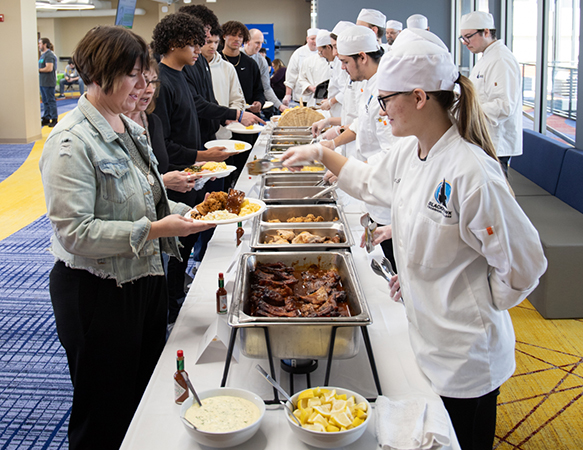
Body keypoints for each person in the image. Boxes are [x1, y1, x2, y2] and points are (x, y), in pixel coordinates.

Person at [282, 28, 547, 450]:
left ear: (420, 96)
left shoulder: (470, 172)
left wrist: (470, 296)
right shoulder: (412, 151)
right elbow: (371, 183)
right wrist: (318, 153)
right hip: (426, 339)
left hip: (466, 356)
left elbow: (525, 265)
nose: (382, 111)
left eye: (387, 100)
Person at [39, 25, 214, 450]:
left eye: (146, 74)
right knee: (102, 412)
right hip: (97, 294)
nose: (143, 86)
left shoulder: (128, 127)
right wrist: (157, 229)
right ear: (98, 75)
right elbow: (76, 233)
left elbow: (146, 202)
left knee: (143, 397)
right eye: (132, 75)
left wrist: (191, 214)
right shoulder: (70, 142)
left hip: (145, 279)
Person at [152, 12, 229, 324]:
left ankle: (177, 295)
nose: (200, 48)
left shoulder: (182, 74)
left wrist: (203, 158)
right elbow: (164, 144)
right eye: (194, 43)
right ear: (173, 43)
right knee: (175, 248)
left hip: (191, 176)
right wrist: (201, 155)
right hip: (175, 179)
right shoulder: (161, 82)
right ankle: (172, 307)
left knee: (185, 245)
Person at [178, 4, 263, 144]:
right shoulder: (176, 68)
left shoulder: (203, 62)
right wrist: (235, 114)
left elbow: (210, 99)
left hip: (213, 134)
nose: (209, 44)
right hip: (189, 142)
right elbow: (195, 103)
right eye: (206, 39)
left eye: (214, 41)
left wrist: (227, 118)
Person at [460, 11, 522, 176]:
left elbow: (504, 106)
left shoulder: (501, 59)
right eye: (463, 38)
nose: (465, 42)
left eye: (468, 36)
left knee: (496, 195)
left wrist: (467, 108)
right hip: (483, 138)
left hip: (495, 142)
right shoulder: (486, 58)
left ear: (486, 31)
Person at [202, 26, 246, 139]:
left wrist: (231, 117)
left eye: (216, 42)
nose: (212, 46)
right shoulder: (190, 69)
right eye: (208, 42)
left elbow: (237, 98)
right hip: (200, 133)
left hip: (224, 133)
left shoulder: (228, 68)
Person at [242, 28, 286, 113]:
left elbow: (266, 88)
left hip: (253, 106)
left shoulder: (262, 61)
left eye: (261, 43)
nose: (260, 46)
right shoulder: (237, 56)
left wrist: (279, 105)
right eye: (257, 43)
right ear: (247, 41)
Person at [283, 28, 318, 105]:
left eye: (317, 39)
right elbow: (291, 74)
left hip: (318, 96)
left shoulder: (322, 53)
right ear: (307, 39)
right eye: (312, 39)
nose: (315, 41)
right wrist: (288, 94)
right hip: (301, 96)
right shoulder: (299, 53)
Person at [296, 29, 331, 107]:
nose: (321, 53)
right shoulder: (308, 61)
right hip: (313, 100)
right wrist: (310, 87)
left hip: (330, 100)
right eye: (319, 51)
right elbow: (301, 78)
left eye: (321, 51)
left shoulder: (335, 62)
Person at [38, 37, 58, 127]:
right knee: (45, 101)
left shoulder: (49, 55)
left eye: (40, 43)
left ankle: (54, 118)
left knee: (50, 101)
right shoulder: (43, 55)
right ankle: (46, 117)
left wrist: (38, 70)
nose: (38, 45)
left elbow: (49, 68)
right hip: (42, 82)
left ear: (45, 44)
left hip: (48, 82)